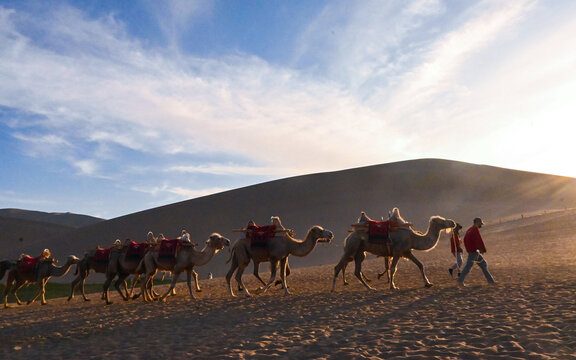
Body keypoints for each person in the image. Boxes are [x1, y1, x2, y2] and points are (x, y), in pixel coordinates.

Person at [457, 218, 495, 286]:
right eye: (480, 223)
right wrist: (482, 249)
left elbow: (465, 240)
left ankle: (491, 281)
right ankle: (460, 281)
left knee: (483, 264)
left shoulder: (469, 229)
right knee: (468, 267)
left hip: (473, 252)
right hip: (474, 252)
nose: (481, 225)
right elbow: (478, 240)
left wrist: (470, 249)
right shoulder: (474, 230)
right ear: (477, 222)